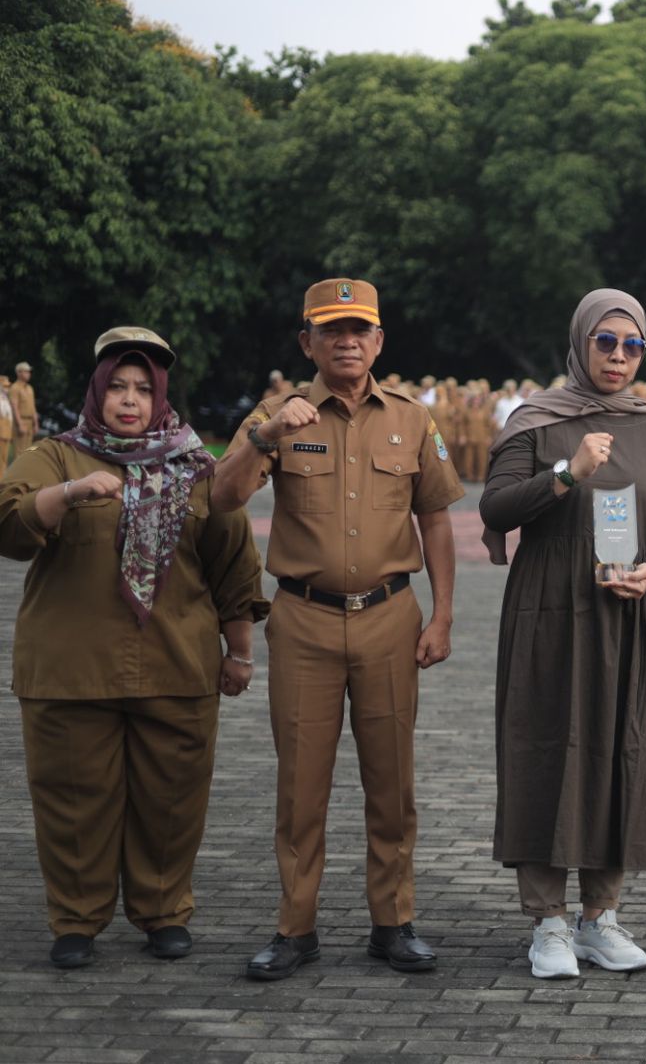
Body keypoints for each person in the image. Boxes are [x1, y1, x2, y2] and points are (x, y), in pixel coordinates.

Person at [210, 278, 464, 981]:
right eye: (331, 330)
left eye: (359, 329)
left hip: (389, 617)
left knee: (393, 783)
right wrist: (266, 435)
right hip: (303, 620)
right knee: (300, 785)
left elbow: (436, 517)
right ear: (307, 343)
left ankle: (394, 922)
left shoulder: (411, 419)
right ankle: (295, 928)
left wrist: (442, 614)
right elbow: (223, 498)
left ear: (379, 340)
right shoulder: (275, 414)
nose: (346, 340)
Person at [0, 327, 266, 969]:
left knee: (170, 802)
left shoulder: (198, 466)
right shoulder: (55, 456)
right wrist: (68, 495)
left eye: (143, 389)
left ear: (161, 396)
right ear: (96, 390)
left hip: (177, 665)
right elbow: (6, 526)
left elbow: (233, 565)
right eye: (117, 386)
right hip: (72, 671)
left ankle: (162, 911)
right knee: (71, 801)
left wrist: (240, 653)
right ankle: (76, 919)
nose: (129, 400)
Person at [479, 289, 646, 979]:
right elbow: (498, 505)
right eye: (607, 342)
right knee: (544, 749)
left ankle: (600, 917)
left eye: (633, 346)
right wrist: (567, 474)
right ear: (580, 342)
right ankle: (546, 921)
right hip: (549, 613)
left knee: (618, 754)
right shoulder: (538, 419)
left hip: (627, 616)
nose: (620, 357)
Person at [11, 360, 37, 452]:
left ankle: (27, 467)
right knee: (20, 451)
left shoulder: (30, 388)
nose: (29, 374)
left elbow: (33, 407)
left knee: (28, 451)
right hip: (21, 421)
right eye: (26, 371)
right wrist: (20, 424)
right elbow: (15, 408)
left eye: (29, 371)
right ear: (19, 373)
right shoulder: (15, 388)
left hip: (30, 422)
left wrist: (36, 423)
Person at [0, 373, 14, 465]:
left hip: (7, 432)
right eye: (4, 386)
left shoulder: (6, 399)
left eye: (8, 386)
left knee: (4, 458)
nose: (7, 389)